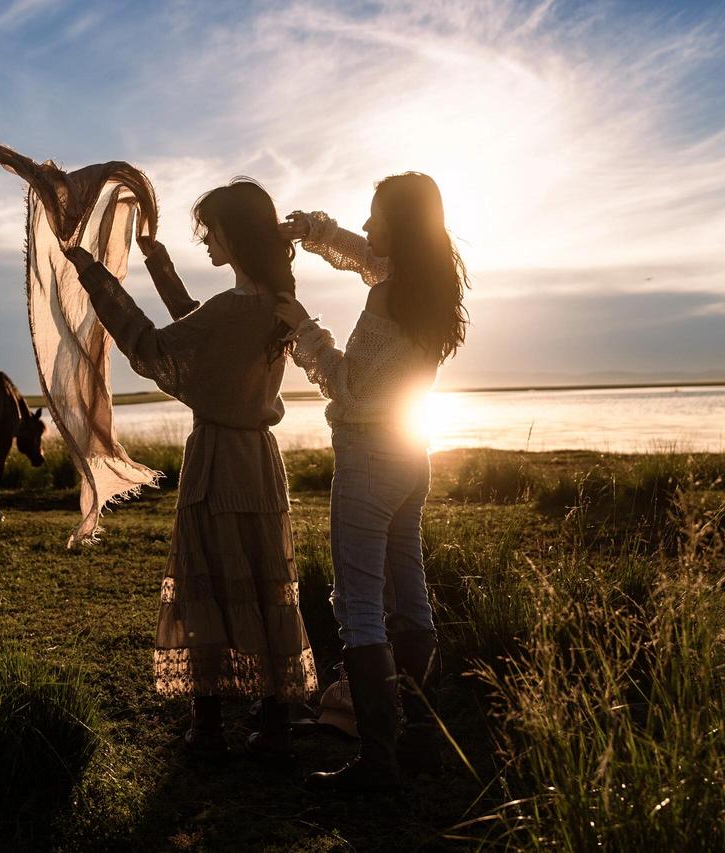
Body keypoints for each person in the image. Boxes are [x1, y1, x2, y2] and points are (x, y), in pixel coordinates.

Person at [63, 179, 318, 759]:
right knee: (262, 582)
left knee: (206, 581)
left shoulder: (233, 309)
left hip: (216, 464)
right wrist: (160, 265)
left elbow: (155, 346)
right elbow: (198, 336)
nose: (205, 240)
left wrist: (93, 274)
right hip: (258, 464)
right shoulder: (271, 304)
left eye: (210, 230)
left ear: (236, 234)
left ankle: (207, 730)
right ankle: (274, 720)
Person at [274, 172, 469, 791]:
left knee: (358, 605)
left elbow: (349, 383)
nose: (365, 226)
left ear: (399, 225)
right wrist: (315, 232)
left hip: (368, 457)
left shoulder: (386, 300)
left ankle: (377, 762)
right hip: (413, 456)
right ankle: (418, 739)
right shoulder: (431, 286)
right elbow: (365, 256)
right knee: (410, 597)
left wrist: (303, 330)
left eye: (375, 214)